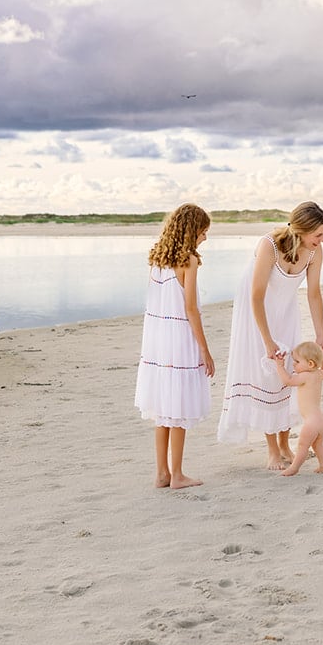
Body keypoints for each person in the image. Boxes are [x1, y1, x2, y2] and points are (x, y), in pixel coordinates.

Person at [217, 202, 323, 469]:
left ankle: (285, 445)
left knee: (289, 370)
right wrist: (267, 340)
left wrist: (320, 335)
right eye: (319, 234)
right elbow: (255, 295)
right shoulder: (269, 245)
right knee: (266, 375)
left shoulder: (315, 252)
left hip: (286, 312)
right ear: (302, 230)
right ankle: (272, 451)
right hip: (256, 315)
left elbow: (314, 293)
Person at [134, 204, 215, 488]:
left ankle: (161, 474)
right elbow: (191, 308)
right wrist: (205, 350)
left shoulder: (157, 259)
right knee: (178, 408)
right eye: (203, 232)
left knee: (163, 411)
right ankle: (178, 474)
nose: (205, 238)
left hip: (157, 341)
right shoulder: (189, 260)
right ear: (192, 231)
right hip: (180, 339)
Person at [270, 341, 323, 475]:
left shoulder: (305, 376)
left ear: (310, 364)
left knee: (303, 446)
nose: (293, 364)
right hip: (321, 420)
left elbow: (287, 381)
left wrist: (280, 366)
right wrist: (322, 355)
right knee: (317, 445)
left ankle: (294, 468)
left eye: (297, 362)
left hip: (311, 423)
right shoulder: (318, 375)